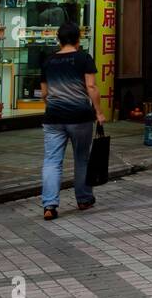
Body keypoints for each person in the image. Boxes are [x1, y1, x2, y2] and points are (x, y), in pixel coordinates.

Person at [40, 23, 105, 221]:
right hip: (80, 117)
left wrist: (54, 104)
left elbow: (44, 93)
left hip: (53, 118)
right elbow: (91, 87)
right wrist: (99, 112)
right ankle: (84, 199)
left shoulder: (48, 61)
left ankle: (49, 205)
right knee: (81, 158)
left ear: (59, 39)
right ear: (78, 39)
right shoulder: (83, 58)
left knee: (52, 161)